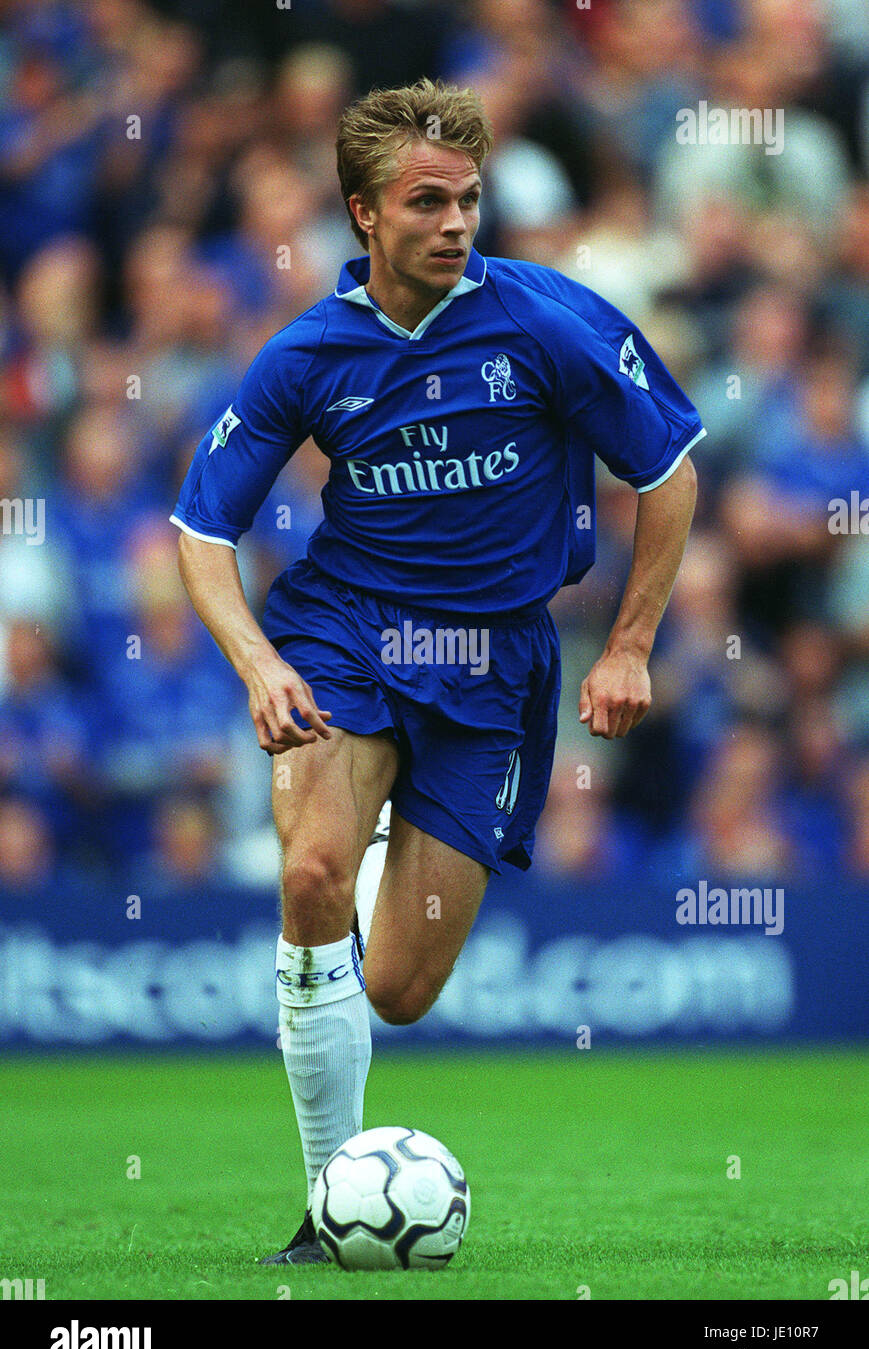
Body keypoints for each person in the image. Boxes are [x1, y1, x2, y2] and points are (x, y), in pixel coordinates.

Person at [171, 79, 704, 1264]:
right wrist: (259, 663)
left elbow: (665, 469)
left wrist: (624, 642)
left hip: (493, 665)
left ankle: (361, 863)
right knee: (307, 871)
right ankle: (326, 1204)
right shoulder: (309, 354)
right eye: (426, 202)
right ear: (363, 213)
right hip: (346, 634)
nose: (456, 221)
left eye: (468, 199)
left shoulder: (547, 321)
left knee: (401, 987)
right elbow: (203, 532)